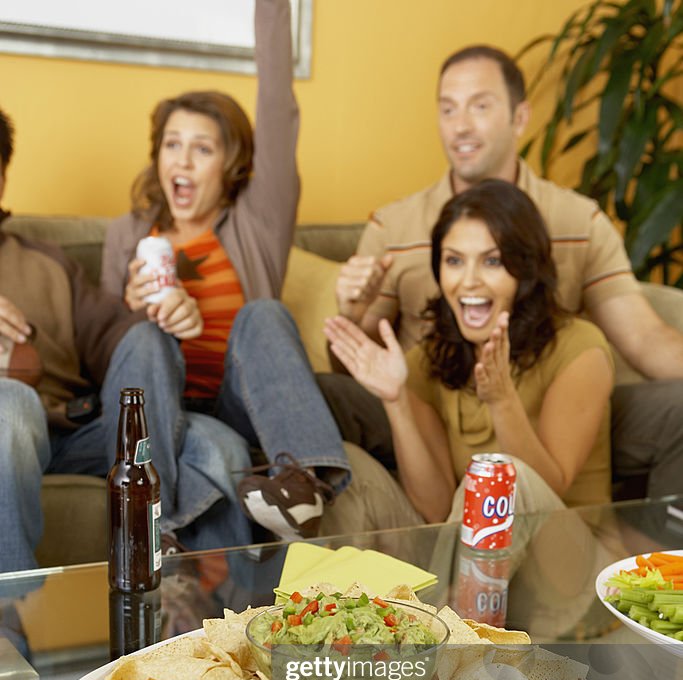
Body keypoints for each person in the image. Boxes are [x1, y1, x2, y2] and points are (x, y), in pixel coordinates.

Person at [332, 45, 683, 500]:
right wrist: (352, 315)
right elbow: (353, 359)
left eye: (479, 106)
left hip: (554, 401)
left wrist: (511, 396)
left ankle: (657, 558)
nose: (460, 126)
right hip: (433, 394)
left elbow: (645, 337)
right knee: (323, 393)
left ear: (520, 119)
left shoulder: (578, 221)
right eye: (448, 109)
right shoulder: (393, 226)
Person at [101, 0, 351, 542]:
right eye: (172, 146)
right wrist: (130, 309)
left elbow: (279, 109)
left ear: (232, 163)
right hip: (159, 412)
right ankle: (151, 533)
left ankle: (305, 481)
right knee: (146, 342)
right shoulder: (127, 235)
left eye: (202, 149)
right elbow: (104, 359)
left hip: (233, 401)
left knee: (263, 312)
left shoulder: (258, 222)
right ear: (157, 157)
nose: (182, 162)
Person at [0, 105, 253, 577]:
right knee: (10, 405)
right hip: (10, 424)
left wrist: (160, 315)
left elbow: (119, 344)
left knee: (218, 444)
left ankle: (218, 623)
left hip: (76, 434)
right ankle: (8, 627)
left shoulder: (48, 262)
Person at [324, 180, 614, 520]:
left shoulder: (580, 348)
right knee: (349, 464)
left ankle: (451, 574)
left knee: (490, 488)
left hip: (568, 547)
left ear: (526, 270)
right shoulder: (429, 359)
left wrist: (502, 400)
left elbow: (547, 492)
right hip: (473, 552)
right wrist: (396, 400)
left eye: (492, 262)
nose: (469, 281)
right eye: (454, 261)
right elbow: (436, 511)